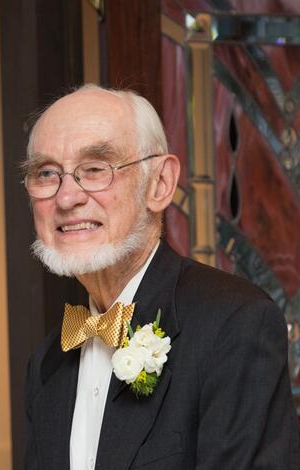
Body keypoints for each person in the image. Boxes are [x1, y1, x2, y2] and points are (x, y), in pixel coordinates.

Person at [24, 84, 299, 470]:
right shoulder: (47, 363)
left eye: (95, 169)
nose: (67, 198)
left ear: (160, 184)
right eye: (47, 173)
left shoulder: (235, 326)